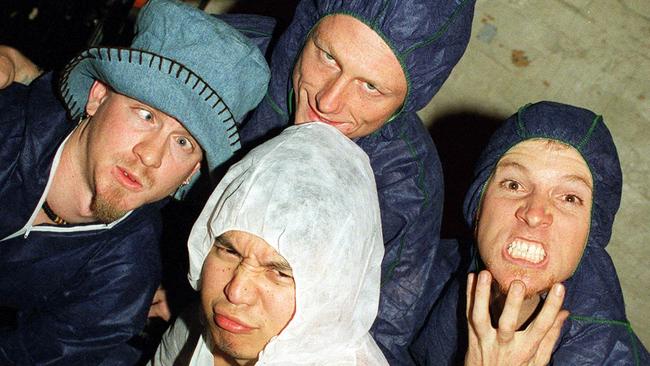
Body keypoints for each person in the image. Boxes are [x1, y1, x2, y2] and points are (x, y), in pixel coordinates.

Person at [0, 0, 270, 364]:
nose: (151, 156)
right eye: (146, 114)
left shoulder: (125, 275)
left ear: (190, 173)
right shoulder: (8, 130)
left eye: (183, 142)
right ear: (98, 96)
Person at [236, 1, 477, 363]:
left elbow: (377, 337)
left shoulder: (406, 186)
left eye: (370, 86)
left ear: (407, 102)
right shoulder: (229, 54)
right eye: (328, 58)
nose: (328, 101)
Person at [410, 101, 650, 365]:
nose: (535, 213)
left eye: (569, 198)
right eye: (513, 184)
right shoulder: (414, 272)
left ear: (591, 234)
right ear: (478, 203)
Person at [149, 122, 387, 365]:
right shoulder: (193, 329)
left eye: (278, 272)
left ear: (331, 292)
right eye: (229, 251)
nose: (235, 291)